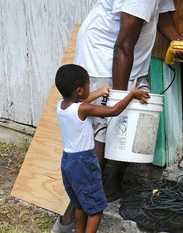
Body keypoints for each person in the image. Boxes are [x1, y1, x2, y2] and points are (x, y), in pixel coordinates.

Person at [52, 0, 183, 232]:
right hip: (104, 56)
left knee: (134, 121)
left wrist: (178, 41)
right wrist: (119, 97)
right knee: (102, 131)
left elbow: (164, 16)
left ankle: (110, 188)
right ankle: (71, 215)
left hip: (129, 57)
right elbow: (123, 46)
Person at [55, 64, 149, 233]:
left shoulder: (61, 105)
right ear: (79, 90)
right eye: (88, 85)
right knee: (96, 209)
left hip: (67, 162)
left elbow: (82, 102)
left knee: (80, 204)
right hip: (84, 163)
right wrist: (132, 94)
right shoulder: (82, 109)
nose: (89, 87)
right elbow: (113, 111)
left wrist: (99, 92)